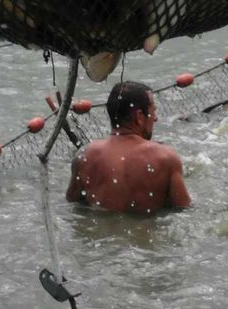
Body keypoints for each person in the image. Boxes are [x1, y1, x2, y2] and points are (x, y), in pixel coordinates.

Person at [66, 80, 191, 213]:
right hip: (144, 231)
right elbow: (184, 209)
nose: (156, 118)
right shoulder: (165, 158)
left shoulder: (85, 155)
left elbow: (74, 205)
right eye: (153, 111)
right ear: (139, 116)